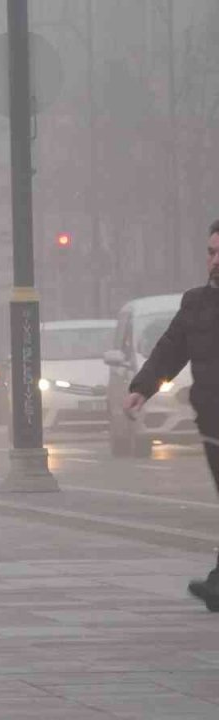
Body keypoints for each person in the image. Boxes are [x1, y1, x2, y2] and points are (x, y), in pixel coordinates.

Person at [124, 220, 219, 612]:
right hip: (214, 423)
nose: (214, 260)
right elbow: (171, 348)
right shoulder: (196, 302)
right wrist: (141, 388)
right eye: (211, 252)